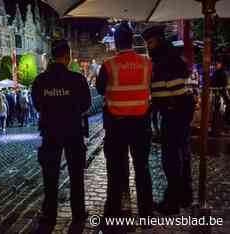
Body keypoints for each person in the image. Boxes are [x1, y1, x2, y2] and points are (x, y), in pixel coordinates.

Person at [96, 22, 153, 231]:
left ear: (116, 43)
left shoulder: (109, 65)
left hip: (117, 126)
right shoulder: (147, 63)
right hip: (141, 124)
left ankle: (114, 213)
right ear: (132, 40)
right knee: (143, 169)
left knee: (116, 171)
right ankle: (146, 215)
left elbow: (101, 89)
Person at [32, 39, 91, 233]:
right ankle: (79, 212)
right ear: (67, 57)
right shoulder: (77, 79)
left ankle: (49, 213)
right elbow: (86, 104)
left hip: (50, 132)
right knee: (76, 174)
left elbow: (37, 104)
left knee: (50, 175)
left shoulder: (40, 81)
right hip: (73, 131)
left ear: (52, 57)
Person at [142, 25, 196, 214]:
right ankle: (184, 195)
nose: (147, 47)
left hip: (174, 114)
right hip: (177, 113)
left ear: (158, 41)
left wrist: (166, 108)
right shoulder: (169, 58)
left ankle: (172, 202)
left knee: (171, 159)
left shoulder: (165, 61)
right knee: (182, 156)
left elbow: (177, 92)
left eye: (149, 42)